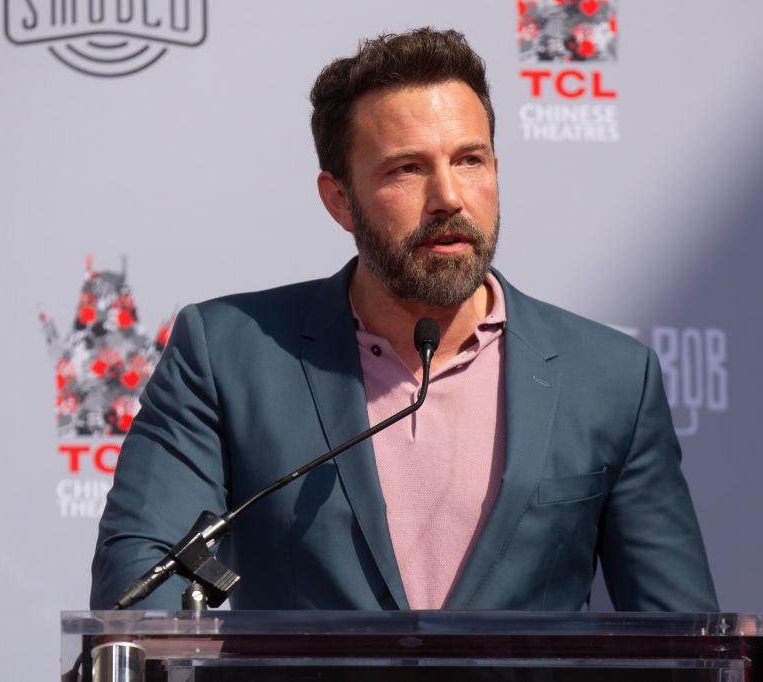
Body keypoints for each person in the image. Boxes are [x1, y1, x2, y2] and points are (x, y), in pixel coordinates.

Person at [90, 28, 718, 612]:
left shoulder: (610, 377)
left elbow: (683, 633)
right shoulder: (228, 352)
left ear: (496, 171)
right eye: (407, 169)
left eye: (470, 160)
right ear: (340, 199)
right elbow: (141, 590)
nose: (448, 197)